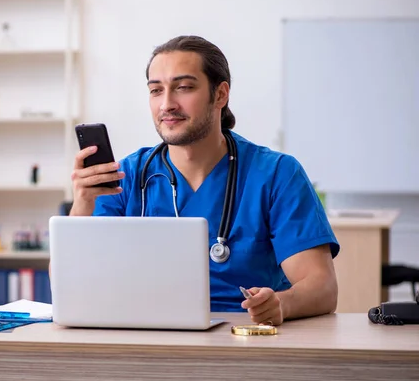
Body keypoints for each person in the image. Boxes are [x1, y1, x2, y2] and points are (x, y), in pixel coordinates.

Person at [69, 35, 339, 326]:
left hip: (242, 336)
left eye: (183, 88)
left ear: (220, 95)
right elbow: (71, 284)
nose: (167, 104)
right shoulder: (124, 176)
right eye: (156, 90)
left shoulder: (275, 174)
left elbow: (321, 287)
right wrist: (83, 204)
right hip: (143, 334)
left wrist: (281, 304)